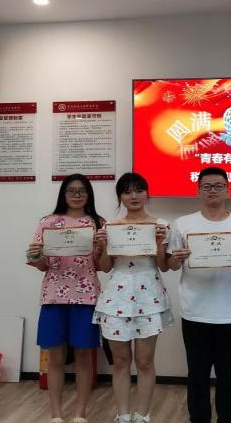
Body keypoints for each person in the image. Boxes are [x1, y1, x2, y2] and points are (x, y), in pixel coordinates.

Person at [166, 166, 231, 423]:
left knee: (229, 375)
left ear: (228, 190)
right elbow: (171, 265)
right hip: (194, 310)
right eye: (207, 186)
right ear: (198, 191)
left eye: (219, 186)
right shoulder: (183, 224)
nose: (213, 190)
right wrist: (175, 259)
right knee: (197, 374)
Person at [93, 172, 173, 423]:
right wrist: (102, 247)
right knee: (120, 361)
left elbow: (164, 266)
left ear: (147, 194)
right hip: (116, 297)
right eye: (127, 192)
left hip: (149, 296)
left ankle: (143, 415)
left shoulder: (161, 225)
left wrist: (159, 245)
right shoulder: (110, 227)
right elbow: (105, 267)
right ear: (120, 197)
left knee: (145, 361)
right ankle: (123, 414)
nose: (134, 196)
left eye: (139, 190)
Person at [26, 173, 105, 423]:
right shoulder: (48, 222)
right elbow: (42, 264)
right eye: (71, 190)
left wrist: (101, 249)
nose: (77, 195)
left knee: (84, 357)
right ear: (64, 193)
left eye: (82, 190)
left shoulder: (98, 223)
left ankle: (80, 413)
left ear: (89, 194)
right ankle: (56, 415)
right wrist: (35, 255)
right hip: (53, 296)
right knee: (55, 358)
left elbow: (102, 266)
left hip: (86, 296)